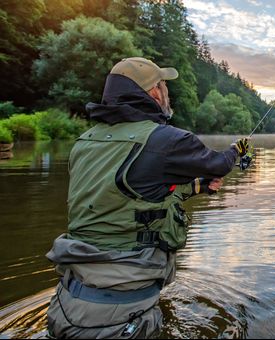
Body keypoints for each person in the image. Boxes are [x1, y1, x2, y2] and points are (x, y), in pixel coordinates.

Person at [46, 57, 249, 339]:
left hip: (65, 306)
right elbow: (219, 164)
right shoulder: (167, 140)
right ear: (154, 92)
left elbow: (128, 194)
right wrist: (235, 150)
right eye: (164, 85)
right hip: (119, 321)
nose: (167, 92)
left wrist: (199, 187)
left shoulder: (85, 142)